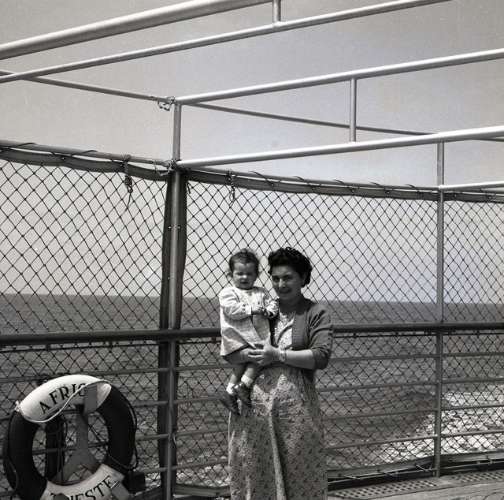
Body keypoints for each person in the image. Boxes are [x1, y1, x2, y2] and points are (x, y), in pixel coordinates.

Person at [225, 247, 332, 500]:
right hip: (254, 407)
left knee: (300, 470)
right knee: (255, 470)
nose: (280, 284)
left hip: (296, 409)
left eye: (288, 278)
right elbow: (235, 348)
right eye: (275, 278)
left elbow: (320, 357)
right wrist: (234, 381)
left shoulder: (316, 313)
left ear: (303, 278)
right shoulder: (261, 310)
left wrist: (278, 355)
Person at [219, 249, 278, 415]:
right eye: (239, 273)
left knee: (245, 364)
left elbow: (273, 304)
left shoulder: (261, 292)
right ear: (231, 274)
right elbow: (232, 310)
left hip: (255, 338)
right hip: (236, 339)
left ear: (256, 275)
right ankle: (243, 385)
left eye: (249, 273)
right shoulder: (228, 293)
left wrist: (269, 311)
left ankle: (230, 391)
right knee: (257, 359)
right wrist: (252, 309)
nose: (244, 277)